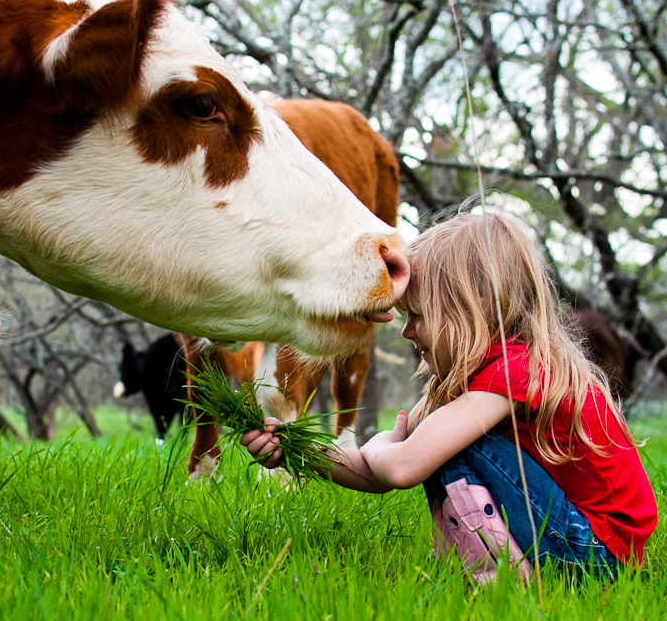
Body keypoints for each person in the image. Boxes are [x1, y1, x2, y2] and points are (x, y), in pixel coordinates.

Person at [240, 209, 658, 585]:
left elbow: (400, 468)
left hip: (594, 554)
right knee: (438, 446)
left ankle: (500, 579)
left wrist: (388, 446)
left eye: (418, 317)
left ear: (470, 308)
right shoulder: (485, 377)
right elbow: (379, 474)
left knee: (449, 449)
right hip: (582, 542)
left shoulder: (517, 369)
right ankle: (495, 569)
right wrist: (297, 448)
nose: (406, 333)